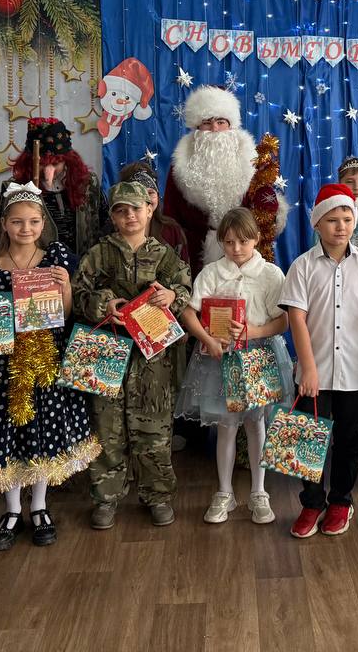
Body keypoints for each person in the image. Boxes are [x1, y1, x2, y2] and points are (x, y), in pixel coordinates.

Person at [0, 181, 96, 550]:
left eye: (33, 221)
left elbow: (65, 314)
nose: (25, 228)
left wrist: (64, 287)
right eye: (17, 221)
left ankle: (39, 505)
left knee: (43, 430)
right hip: (2, 364)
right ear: (4, 224)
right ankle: (12, 509)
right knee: (8, 432)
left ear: (42, 223)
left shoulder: (54, 259)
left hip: (45, 359)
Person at [72, 182, 192, 529]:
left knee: (154, 427)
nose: (129, 216)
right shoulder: (99, 254)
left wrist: (172, 296)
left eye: (136, 209)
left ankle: (158, 495)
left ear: (149, 210)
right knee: (106, 428)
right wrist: (104, 304)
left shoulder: (165, 254)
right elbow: (77, 295)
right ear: (112, 216)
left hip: (152, 358)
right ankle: (106, 497)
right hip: (106, 352)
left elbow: (185, 287)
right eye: (121, 210)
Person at [281, 184, 358, 539]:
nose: (341, 226)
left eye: (347, 218)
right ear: (317, 223)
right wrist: (308, 368)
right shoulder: (302, 267)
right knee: (308, 438)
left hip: (356, 371)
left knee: (348, 439)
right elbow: (297, 319)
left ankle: (341, 500)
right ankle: (312, 503)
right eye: (332, 220)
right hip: (315, 373)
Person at [176, 208, 292, 525]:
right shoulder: (212, 273)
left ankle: (259, 492)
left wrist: (255, 331)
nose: (236, 248)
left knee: (256, 424)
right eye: (228, 242)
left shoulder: (271, 274)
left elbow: (283, 321)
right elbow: (189, 312)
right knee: (226, 426)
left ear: (256, 238)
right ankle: (224, 492)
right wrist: (207, 339)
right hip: (220, 358)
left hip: (258, 356)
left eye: (243, 241)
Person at [163, 85, 288, 273]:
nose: (214, 129)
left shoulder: (252, 161)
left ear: (231, 125)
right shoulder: (180, 166)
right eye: (207, 122)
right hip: (194, 258)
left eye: (221, 122)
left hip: (245, 255)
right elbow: (170, 216)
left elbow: (264, 208)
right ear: (197, 126)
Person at [11, 117, 103, 256]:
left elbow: (103, 222)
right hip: (38, 264)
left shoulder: (88, 182)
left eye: (55, 164)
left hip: (85, 263)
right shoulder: (16, 188)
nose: (49, 172)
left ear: (67, 160)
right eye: (42, 164)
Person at [120, 160, 190, 264]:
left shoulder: (172, 231)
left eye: (150, 193)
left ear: (157, 195)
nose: (146, 199)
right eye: (138, 193)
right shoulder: (112, 232)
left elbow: (184, 270)